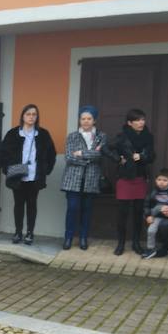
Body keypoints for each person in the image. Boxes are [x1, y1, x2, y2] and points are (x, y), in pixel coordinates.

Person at [1, 104, 56, 245]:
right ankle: (18, 232)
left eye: (34, 114)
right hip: (17, 173)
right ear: (23, 116)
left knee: (32, 204)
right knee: (18, 204)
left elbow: (51, 154)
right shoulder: (13, 133)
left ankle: (30, 233)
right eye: (28, 114)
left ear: (37, 117)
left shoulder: (43, 134)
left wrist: (46, 170)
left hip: (34, 175)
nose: (31, 117)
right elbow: (3, 154)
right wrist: (7, 169)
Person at [104, 108, 155, 256]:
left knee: (138, 213)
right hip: (125, 178)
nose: (141, 123)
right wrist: (118, 159)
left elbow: (152, 156)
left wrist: (143, 156)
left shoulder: (148, 137)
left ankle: (136, 243)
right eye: (138, 120)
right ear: (130, 123)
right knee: (123, 214)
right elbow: (105, 148)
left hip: (140, 178)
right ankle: (120, 244)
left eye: (143, 119)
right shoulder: (122, 136)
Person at [60, 105, 107, 250]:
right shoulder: (72, 136)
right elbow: (69, 157)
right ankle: (68, 237)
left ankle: (83, 238)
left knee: (87, 210)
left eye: (89, 118)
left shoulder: (101, 136)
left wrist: (80, 153)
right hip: (72, 179)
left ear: (94, 120)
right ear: (79, 120)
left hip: (91, 179)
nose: (86, 121)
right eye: (83, 118)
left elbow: (100, 156)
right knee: (72, 208)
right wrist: (90, 155)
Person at [141, 168, 168, 261]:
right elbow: (146, 205)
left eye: (165, 180)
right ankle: (150, 249)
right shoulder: (153, 192)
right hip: (158, 216)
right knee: (151, 231)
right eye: (159, 180)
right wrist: (148, 215)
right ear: (156, 180)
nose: (161, 182)